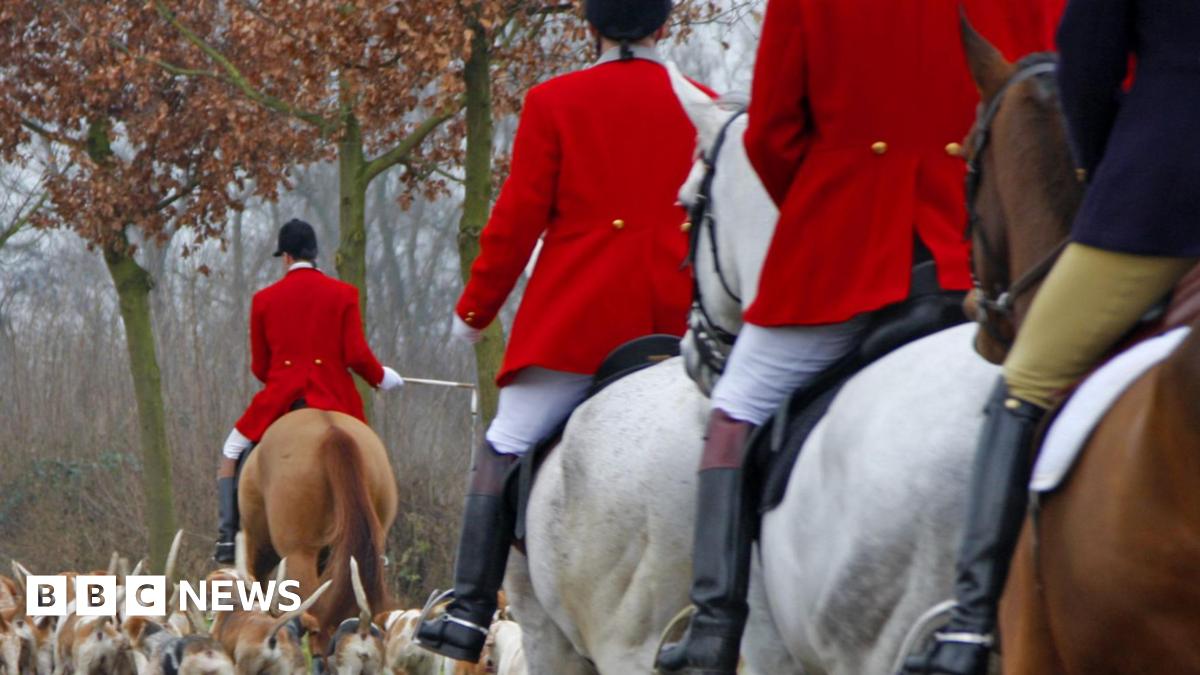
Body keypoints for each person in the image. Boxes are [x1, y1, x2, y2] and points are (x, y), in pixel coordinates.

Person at [654, 1, 1063, 673]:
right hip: (999, 248)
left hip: (848, 241)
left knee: (736, 408)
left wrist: (828, 206)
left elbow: (772, 135)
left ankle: (715, 628)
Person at [904, 1, 1200, 673]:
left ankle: (972, 627)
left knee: (1025, 378)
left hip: (1165, 189)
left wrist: (1102, 167)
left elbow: (1088, 62)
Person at [415, 0, 713, 663]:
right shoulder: (707, 104)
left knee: (504, 441)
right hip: (687, 328)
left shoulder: (555, 101)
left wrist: (475, 313)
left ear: (592, 24)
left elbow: (517, 219)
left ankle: (467, 609)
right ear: (664, 24)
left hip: (582, 328)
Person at [214, 219, 404, 563]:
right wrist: (382, 377)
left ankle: (228, 539)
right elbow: (357, 355)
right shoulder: (344, 294)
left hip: (281, 397)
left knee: (231, 450)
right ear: (314, 254)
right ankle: (377, 544)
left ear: (286, 257)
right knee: (366, 451)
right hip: (335, 395)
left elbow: (260, 368)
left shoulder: (264, 300)